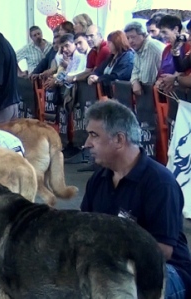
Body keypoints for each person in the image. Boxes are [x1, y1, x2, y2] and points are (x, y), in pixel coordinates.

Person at [80, 100, 191, 299]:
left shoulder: (159, 183)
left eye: (94, 135)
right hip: (113, 266)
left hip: (166, 270)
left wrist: (104, 255)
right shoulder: (98, 179)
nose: (87, 143)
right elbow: (82, 230)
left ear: (119, 140)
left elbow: (162, 251)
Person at [87, 30, 134, 97]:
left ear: (117, 42)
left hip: (122, 95)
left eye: (109, 42)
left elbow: (117, 76)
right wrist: (92, 77)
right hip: (108, 94)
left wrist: (99, 79)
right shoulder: (111, 57)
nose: (107, 45)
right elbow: (98, 70)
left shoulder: (128, 56)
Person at [124, 21, 165, 95]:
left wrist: (135, 81)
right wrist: (135, 82)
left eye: (133, 37)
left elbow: (146, 80)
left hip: (161, 94)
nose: (130, 41)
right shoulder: (139, 48)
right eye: (127, 38)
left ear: (143, 35)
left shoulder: (151, 46)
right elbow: (135, 71)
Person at [155, 15, 191, 91]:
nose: (162, 36)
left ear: (176, 29)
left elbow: (185, 72)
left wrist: (175, 79)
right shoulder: (167, 49)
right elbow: (181, 67)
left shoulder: (187, 46)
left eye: (164, 32)